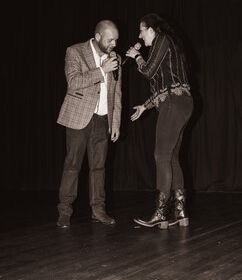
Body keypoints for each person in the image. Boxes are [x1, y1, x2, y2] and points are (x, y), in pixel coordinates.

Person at [125, 13, 193, 229]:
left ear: (151, 31)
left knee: (161, 155)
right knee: (171, 156)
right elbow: (161, 86)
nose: (139, 35)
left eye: (141, 30)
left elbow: (148, 71)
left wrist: (136, 55)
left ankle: (160, 213)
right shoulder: (164, 47)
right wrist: (145, 106)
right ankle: (180, 213)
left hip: (175, 103)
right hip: (178, 103)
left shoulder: (161, 40)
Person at [56, 20, 122, 228]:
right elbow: (73, 82)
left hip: (102, 119)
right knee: (72, 165)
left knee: (99, 168)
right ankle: (64, 211)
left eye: (116, 40)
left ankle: (98, 210)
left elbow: (117, 92)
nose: (114, 44)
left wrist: (116, 121)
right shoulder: (75, 51)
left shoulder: (115, 58)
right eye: (111, 39)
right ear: (99, 36)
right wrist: (101, 71)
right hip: (78, 117)